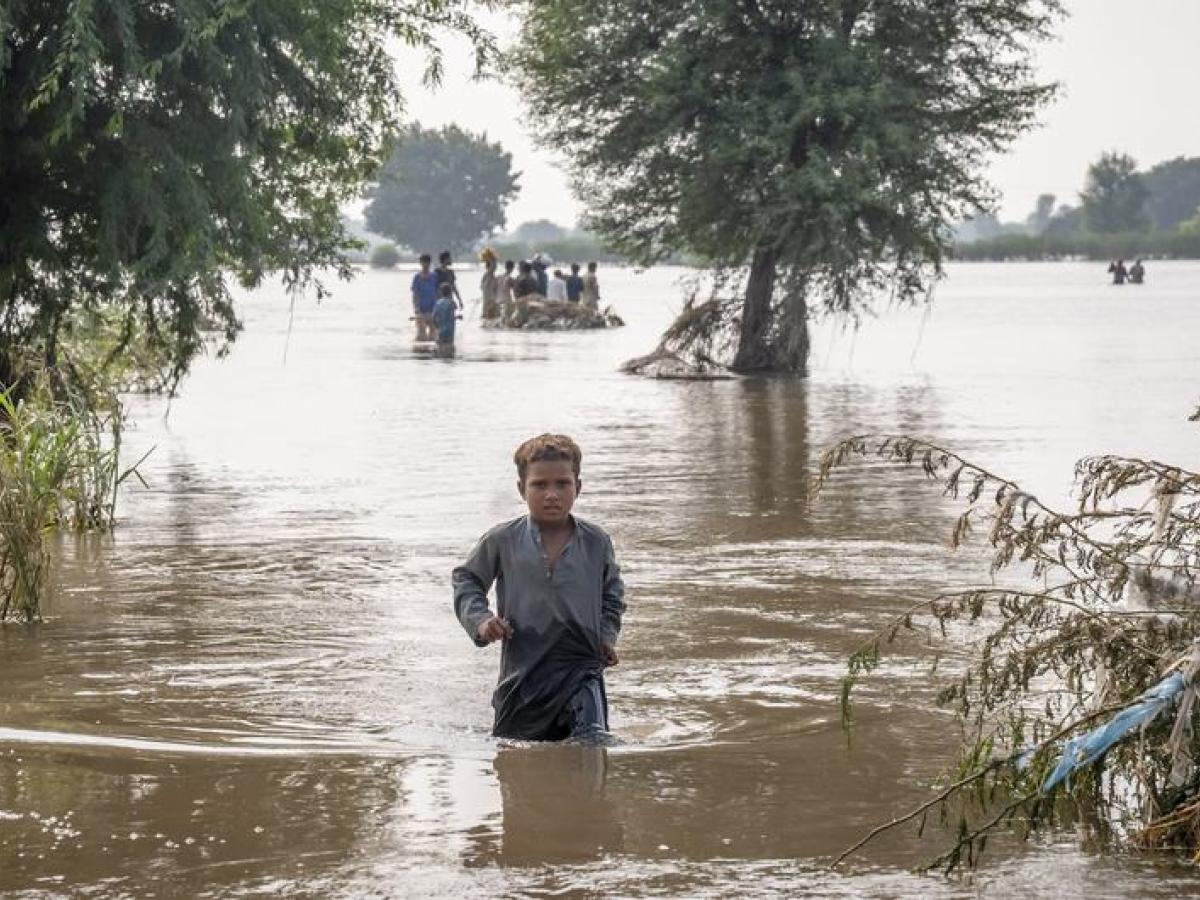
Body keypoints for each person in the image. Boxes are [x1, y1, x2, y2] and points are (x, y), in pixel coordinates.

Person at [453, 434, 626, 741]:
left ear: (578, 487)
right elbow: (467, 580)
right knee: (514, 753)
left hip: (581, 667)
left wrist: (606, 635)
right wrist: (481, 621)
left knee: (592, 741)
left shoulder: (597, 541)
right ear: (522, 489)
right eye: (540, 485)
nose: (552, 494)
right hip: (523, 674)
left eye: (562, 484)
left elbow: (612, 595)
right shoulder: (502, 540)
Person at [411, 253, 440, 341]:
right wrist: (416, 308)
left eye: (427, 262)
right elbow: (415, 293)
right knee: (421, 334)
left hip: (433, 308)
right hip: (420, 308)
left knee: (433, 333)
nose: (425, 264)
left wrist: (438, 307)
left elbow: (438, 292)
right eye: (423, 262)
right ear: (420, 263)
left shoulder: (434, 276)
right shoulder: (417, 277)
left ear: (429, 263)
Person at [433, 283, 459, 357]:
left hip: (440, 331)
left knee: (440, 350)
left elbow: (434, 317)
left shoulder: (438, 303)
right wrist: (457, 317)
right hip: (450, 332)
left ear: (441, 292)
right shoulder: (451, 303)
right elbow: (451, 316)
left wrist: (437, 327)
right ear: (450, 292)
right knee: (450, 352)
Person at [480, 253, 499, 319]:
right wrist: (492, 259)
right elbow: (484, 289)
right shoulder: (488, 275)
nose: (496, 267)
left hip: (490, 301)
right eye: (494, 265)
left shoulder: (491, 276)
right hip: (489, 301)